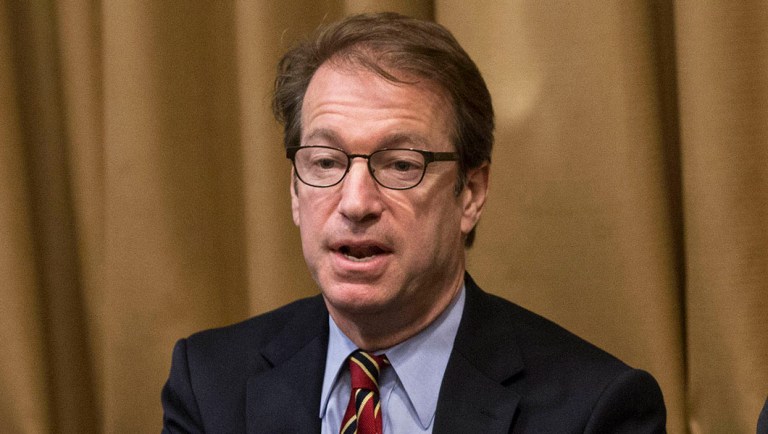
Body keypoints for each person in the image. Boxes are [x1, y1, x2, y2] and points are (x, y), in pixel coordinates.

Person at [161, 12, 666, 433]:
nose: (355, 202)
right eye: (325, 161)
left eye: (401, 164)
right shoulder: (210, 385)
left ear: (470, 193)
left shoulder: (594, 410)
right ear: (294, 190)